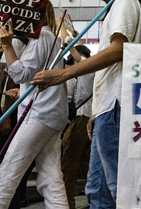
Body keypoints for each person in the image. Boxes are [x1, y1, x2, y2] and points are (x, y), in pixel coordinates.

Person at [32, 0, 141, 208]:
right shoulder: (111, 10)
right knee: (97, 190)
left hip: (118, 105)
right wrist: (96, 112)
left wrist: (63, 73)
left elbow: (119, 50)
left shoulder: (124, 1)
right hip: (106, 109)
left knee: (120, 189)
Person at [0, 1, 69, 208]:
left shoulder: (41, 37)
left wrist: (6, 45)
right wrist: (21, 90)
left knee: (7, 172)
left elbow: (20, 72)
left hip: (39, 114)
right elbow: (33, 77)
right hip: (50, 114)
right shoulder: (47, 38)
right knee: (50, 178)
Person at [61, 44, 94, 209]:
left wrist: (68, 39)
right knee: (87, 162)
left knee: (69, 163)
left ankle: (68, 204)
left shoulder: (87, 66)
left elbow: (74, 52)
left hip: (82, 118)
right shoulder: (93, 70)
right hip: (91, 119)